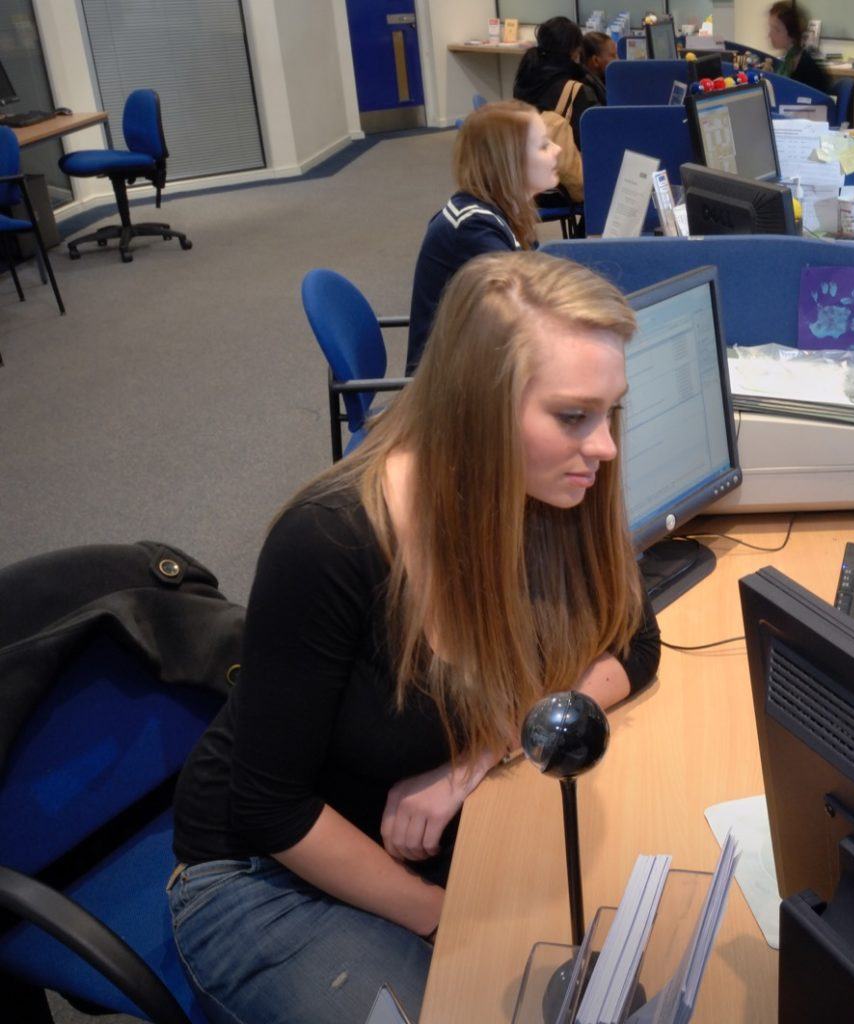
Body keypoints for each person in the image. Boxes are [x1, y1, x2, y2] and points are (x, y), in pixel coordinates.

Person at [169, 252, 661, 1024]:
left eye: (611, 412)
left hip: (432, 845)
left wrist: (482, 751)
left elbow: (633, 642)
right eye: (573, 416)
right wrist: (442, 921)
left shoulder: (547, 496)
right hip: (266, 875)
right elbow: (271, 809)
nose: (603, 446)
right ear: (478, 409)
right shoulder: (331, 542)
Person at [405, 100, 559, 373]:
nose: (557, 150)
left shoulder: (499, 212)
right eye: (544, 145)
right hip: (447, 388)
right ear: (510, 163)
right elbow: (518, 314)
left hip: (476, 367)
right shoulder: (473, 229)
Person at [515, 16, 601, 148]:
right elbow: (595, 138)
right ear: (575, 52)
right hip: (563, 162)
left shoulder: (526, 75)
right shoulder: (577, 90)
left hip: (524, 153)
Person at [766, 1, 833, 94]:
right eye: (770, 28)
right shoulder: (791, 58)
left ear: (792, 34)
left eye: (776, 29)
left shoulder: (805, 65)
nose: (770, 35)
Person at [581, 30, 617, 104]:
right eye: (613, 56)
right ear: (596, 60)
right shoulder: (587, 92)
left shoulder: (602, 82)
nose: (618, 60)